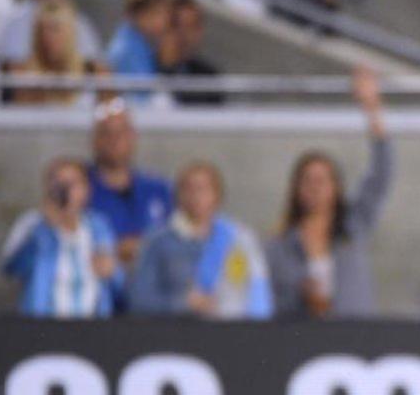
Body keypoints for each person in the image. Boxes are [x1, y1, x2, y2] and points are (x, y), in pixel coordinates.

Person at [265, 67, 393, 318]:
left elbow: (382, 174)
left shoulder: (354, 227)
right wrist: (301, 297)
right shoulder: (278, 246)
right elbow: (270, 305)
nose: (315, 187)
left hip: (354, 341)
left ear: (336, 188)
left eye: (322, 181)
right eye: (308, 180)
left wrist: (372, 108)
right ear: (296, 189)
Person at [130, 162, 273, 319]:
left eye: (202, 189)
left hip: (234, 332)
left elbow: (258, 291)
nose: (195, 196)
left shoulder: (241, 238)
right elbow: (139, 300)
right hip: (178, 334)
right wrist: (183, 303)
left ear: (217, 194)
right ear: (177, 195)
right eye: (188, 189)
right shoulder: (157, 241)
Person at [0, 157, 119, 318]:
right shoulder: (31, 223)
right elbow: (11, 269)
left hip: (93, 324)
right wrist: (45, 229)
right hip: (44, 324)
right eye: (60, 184)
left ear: (87, 189)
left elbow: (118, 282)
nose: (67, 191)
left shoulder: (99, 226)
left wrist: (112, 271)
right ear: (48, 187)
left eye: (74, 184)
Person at [86, 98, 175, 271]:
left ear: (134, 137)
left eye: (122, 132)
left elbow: (179, 241)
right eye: (106, 133)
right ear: (94, 140)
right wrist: (119, 249)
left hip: (154, 289)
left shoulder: (158, 189)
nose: (115, 140)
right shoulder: (80, 189)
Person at [5, 0, 105, 105]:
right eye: (42, 30)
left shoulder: (94, 72)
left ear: (69, 33)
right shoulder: (25, 76)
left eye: (55, 29)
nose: (47, 37)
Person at [107, 0, 173, 103]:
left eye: (166, 13)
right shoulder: (126, 51)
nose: (164, 21)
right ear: (136, 13)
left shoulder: (145, 44)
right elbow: (140, 102)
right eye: (156, 13)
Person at [160, 0, 224, 105]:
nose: (185, 35)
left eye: (192, 27)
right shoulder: (144, 67)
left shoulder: (209, 76)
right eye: (178, 25)